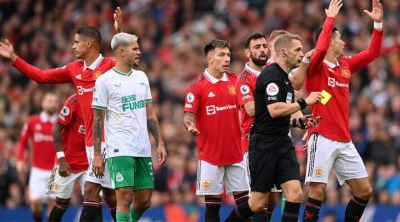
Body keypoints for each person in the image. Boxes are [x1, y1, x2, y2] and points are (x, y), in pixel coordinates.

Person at [0, 8, 123, 221]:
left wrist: (120, 35)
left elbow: (130, 61)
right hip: (84, 148)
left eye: (76, 42)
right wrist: (14, 58)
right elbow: (42, 76)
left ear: (89, 44)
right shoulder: (74, 69)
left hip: (109, 140)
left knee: (103, 195)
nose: (73, 46)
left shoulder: (109, 65)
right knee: (87, 197)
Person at [302, 0, 383, 222]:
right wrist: (330, 19)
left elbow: (372, 53)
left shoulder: (345, 65)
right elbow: (319, 48)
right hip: (322, 136)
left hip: (344, 139)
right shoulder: (315, 66)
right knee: (317, 191)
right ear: (329, 42)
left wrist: (378, 25)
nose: (344, 43)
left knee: (364, 191)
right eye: (339, 39)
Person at [226, 33, 322, 222]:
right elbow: (273, 110)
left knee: (295, 193)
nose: (301, 54)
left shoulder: (284, 78)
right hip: (263, 144)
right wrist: (304, 102)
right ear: (284, 53)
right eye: (297, 50)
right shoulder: (270, 75)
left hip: (282, 142)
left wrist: (297, 122)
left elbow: (277, 114)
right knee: (257, 202)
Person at [92, 32, 167, 222]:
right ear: (122, 52)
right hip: (119, 147)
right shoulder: (104, 81)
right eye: (135, 48)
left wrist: (160, 143)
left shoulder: (141, 77)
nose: (140, 52)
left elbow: (150, 114)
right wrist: (98, 154)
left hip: (142, 147)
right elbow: (98, 120)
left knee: (144, 201)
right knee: (124, 198)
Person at [183, 39, 250, 222]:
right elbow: (188, 115)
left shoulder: (236, 81)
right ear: (210, 58)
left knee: (247, 205)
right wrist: (190, 125)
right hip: (210, 156)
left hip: (236, 154)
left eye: (228, 55)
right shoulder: (197, 85)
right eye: (222, 55)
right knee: (213, 206)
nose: (227, 59)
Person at [16, 91, 59, 222]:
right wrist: (20, 160)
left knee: (54, 204)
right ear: (42, 103)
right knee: (35, 204)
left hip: (56, 170)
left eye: (55, 102)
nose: (53, 104)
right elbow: (22, 141)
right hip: (38, 169)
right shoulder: (32, 121)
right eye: (50, 101)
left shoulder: (61, 123)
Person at [47, 93, 88, 222]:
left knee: (94, 201)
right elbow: (56, 129)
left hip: (89, 164)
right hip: (66, 163)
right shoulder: (74, 101)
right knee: (59, 203)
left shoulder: (104, 100)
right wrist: (62, 159)